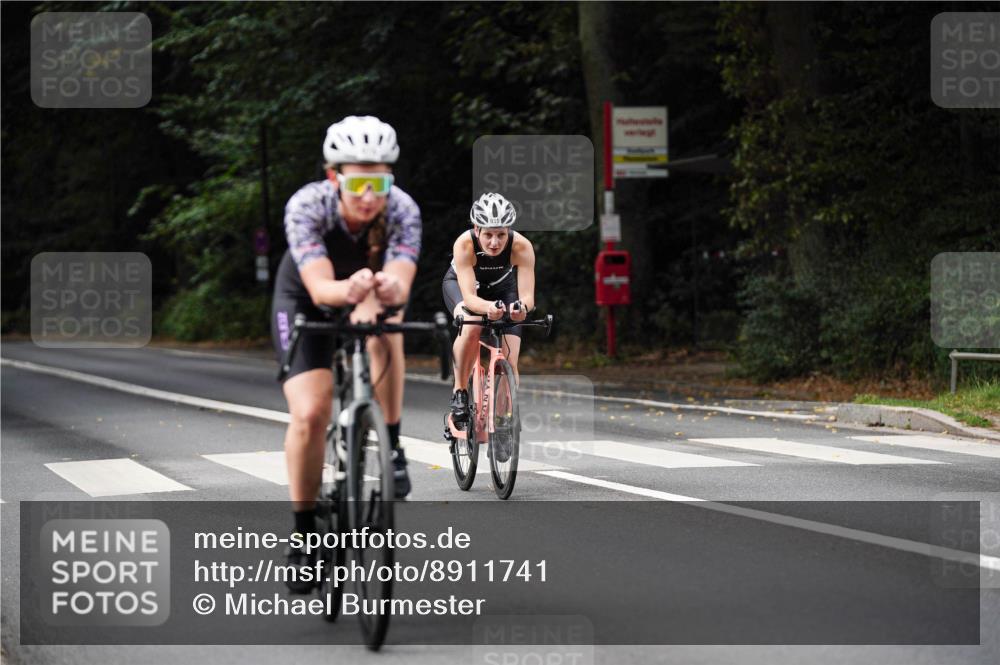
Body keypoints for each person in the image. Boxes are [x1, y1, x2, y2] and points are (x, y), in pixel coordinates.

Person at [271, 116, 420, 591]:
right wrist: (350, 287)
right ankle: (304, 536)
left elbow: (400, 280)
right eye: (357, 182)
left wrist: (390, 286)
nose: (368, 195)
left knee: (385, 325)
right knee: (311, 413)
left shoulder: (403, 210)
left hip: (367, 293)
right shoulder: (307, 206)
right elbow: (319, 286)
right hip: (306, 296)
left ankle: (391, 445)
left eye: (378, 182)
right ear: (334, 176)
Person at [441, 193, 535, 429]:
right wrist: (488, 308)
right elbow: (471, 298)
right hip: (464, 288)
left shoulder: (522, 246)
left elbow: (528, 297)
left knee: (510, 360)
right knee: (471, 324)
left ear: (509, 231)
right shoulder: (464, 244)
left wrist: (520, 309)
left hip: (503, 289)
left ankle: (504, 420)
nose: (495, 242)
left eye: (501, 234)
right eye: (488, 235)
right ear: (476, 229)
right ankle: (460, 392)